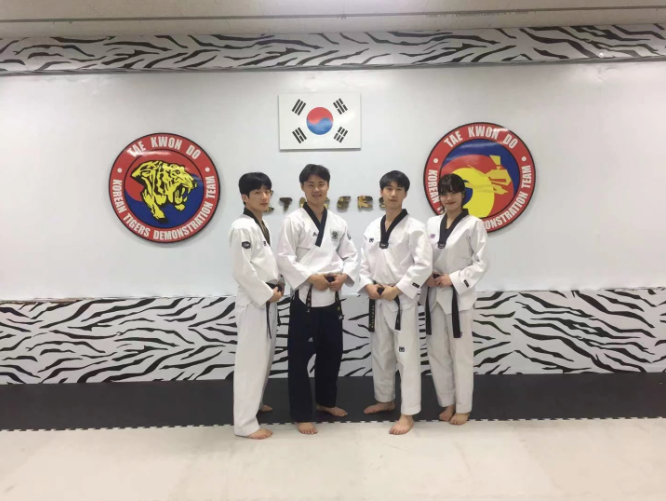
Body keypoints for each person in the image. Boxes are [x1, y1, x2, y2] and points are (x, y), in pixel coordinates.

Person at [276, 164, 359, 435]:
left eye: (321, 184)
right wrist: (311, 277)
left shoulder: (338, 222)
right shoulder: (293, 221)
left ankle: (326, 402)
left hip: (332, 298)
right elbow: (284, 258)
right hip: (306, 299)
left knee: (331, 354)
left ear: (328, 186)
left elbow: (351, 255)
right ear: (302, 187)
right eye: (310, 185)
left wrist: (344, 276)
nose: (316, 189)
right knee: (299, 360)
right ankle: (301, 413)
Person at [358, 170, 433, 435]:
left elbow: (423, 265)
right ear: (381, 192)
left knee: (406, 356)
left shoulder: (415, 228)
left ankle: (408, 412)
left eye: (398, 189)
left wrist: (399, 289)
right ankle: (385, 398)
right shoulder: (371, 227)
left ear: (405, 193)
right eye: (388, 188)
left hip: (401, 300)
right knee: (381, 352)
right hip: (378, 298)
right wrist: (367, 284)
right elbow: (363, 263)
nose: (393, 194)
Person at [423, 173, 489, 426]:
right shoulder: (431, 224)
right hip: (434, 296)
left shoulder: (474, 224)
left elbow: (481, 263)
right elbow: (423, 258)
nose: (448, 198)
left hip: (458, 297)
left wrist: (454, 278)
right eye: (444, 193)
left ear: (463, 194)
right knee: (438, 353)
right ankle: (447, 402)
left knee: (461, 354)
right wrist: (426, 276)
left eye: (453, 192)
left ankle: (463, 406)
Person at [229, 172, 283, 439]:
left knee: (264, 358)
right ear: (244, 197)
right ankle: (245, 423)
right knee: (251, 363)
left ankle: (255, 404)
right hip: (254, 302)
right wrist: (266, 293)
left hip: (267, 298)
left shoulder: (261, 223)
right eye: (257, 192)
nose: (264, 197)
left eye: (267, 191)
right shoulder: (242, 227)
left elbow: (266, 263)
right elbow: (242, 270)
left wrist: (277, 286)